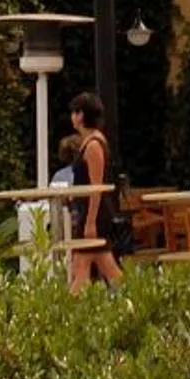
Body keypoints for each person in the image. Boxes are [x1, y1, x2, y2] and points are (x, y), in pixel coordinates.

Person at [66, 92, 125, 293]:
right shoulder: (89, 142)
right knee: (103, 265)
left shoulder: (93, 146)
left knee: (83, 266)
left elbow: (96, 186)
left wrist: (90, 221)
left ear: (81, 115)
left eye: (74, 112)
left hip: (95, 213)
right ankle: (134, 300)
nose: (72, 117)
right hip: (88, 211)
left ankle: (67, 312)